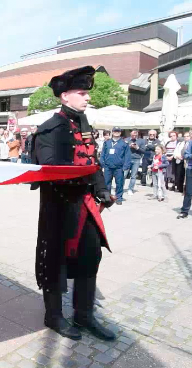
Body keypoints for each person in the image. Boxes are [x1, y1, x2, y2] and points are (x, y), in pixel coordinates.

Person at [31, 66, 115, 341]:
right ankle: (54, 316)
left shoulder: (84, 123)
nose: (87, 98)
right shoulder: (51, 128)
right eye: (81, 93)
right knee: (55, 263)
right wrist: (87, 182)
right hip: (59, 207)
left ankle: (84, 315)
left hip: (85, 207)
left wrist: (102, 190)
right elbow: (52, 168)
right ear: (65, 96)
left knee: (90, 259)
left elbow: (93, 162)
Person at [99, 127, 130, 205]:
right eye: (115, 131)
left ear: (120, 133)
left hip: (119, 167)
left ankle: (119, 198)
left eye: (118, 131)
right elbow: (103, 153)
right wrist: (102, 163)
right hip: (108, 167)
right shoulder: (107, 142)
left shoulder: (124, 143)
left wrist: (126, 166)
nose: (116, 132)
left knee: (119, 183)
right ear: (112, 132)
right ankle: (108, 197)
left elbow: (127, 155)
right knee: (106, 183)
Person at [125, 130, 145, 196]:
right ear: (130, 134)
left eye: (135, 135)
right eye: (133, 134)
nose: (134, 136)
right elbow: (122, 149)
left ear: (137, 134)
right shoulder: (126, 139)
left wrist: (137, 148)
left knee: (133, 176)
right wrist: (129, 146)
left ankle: (130, 189)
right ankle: (119, 188)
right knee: (123, 174)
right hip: (127, 159)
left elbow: (143, 150)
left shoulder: (141, 141)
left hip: (136, 159)